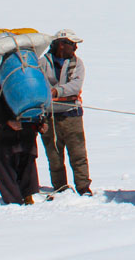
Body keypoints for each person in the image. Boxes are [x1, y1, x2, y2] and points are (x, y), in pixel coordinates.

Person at [38, 28, 92, 196]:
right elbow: (38, 83)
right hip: (48, 116)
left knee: (78, 154)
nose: (75, 48)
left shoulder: (78, 64)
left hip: (72, 115)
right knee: (54, 156)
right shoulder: (41, 62)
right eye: (73, 44)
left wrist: (56, 92)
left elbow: (76, 86)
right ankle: (60, 187)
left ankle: (83, 187)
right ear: (62, 45)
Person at [0, 78, 46, 204]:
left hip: (8, 126)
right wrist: (41, 121)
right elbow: (41, 94)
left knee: (1, 163)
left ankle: (14, 200)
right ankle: (27, 196)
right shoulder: (27, 69)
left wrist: (6, 120)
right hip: (30, 124)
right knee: (26, 160)